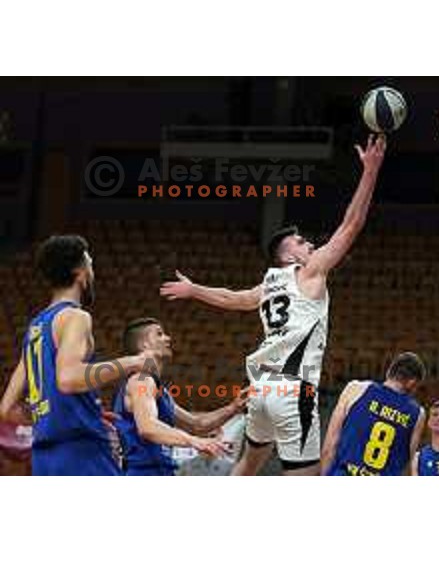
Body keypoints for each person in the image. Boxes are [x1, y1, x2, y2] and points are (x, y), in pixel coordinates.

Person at [160, 135, 387, 475]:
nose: (309, 243)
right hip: (294, 390)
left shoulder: (268, 285)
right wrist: (370, 171)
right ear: (289, 255)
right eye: (301, 241)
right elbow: (351, 225)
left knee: (249, 466)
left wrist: (194, 290)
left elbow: (230, 298)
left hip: (262, 389)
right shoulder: (309, 270)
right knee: (304, 476)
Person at [0, 235, 152, 475]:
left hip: (43, 457)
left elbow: (6, 408)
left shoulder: (36, 327)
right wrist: (134, 362)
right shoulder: (75, 317)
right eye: (90, 265)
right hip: (81, 453)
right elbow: (69, 379)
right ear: (80, 272)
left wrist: (70, 413)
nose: (92, 273)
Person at [113, 317, 248, 476]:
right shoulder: (141, 381)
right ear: (144, 345)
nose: (168, 338)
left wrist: (233, 408)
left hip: (161, 470)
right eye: (159, 334)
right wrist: (194, 441)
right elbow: (147, 427)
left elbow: (197, 425)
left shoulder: (158, 389)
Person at [321, 352, 426, 476]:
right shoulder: (418, 413)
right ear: (412, 383)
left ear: (389, 372)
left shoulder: (355, 389)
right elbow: (409, 465)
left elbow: (330, 446)